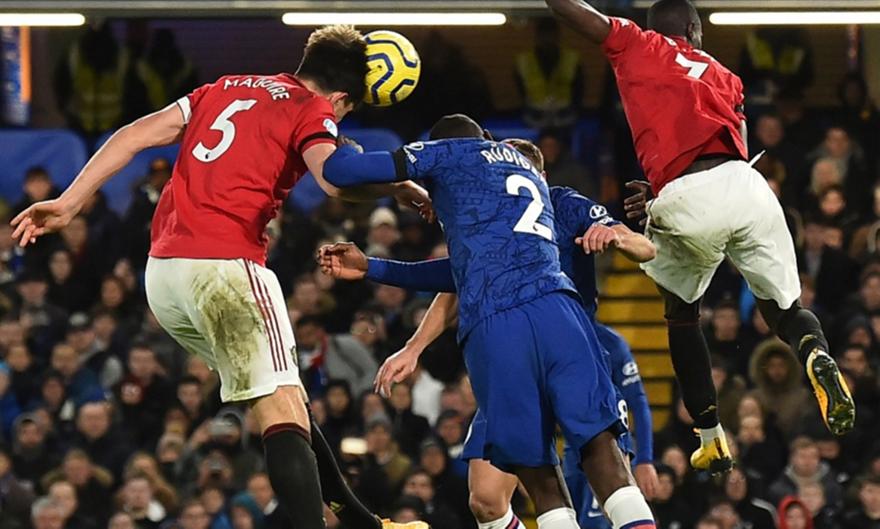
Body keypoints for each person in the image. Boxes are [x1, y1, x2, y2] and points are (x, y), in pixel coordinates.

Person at [13, 24, 429, 529]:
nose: (338, 120)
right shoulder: (313, 108)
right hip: (224, 268)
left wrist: (69, 202)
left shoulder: (225, 87)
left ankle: (366, 525)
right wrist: (397, 183)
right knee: (281, 405)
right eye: (345, 111)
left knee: (285, 398)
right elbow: (334, 179)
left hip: (163, 277)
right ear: (340, 97)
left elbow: (134, 135)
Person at [544, 0, 855, 475]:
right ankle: (815, 352)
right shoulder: (727, 75)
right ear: (693, 29)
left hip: (686, 195)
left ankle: (711, 438)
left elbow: (579, 15)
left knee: (682, 317)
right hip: (748, 186)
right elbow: (729, 150)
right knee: (784, 310)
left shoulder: (638, 43)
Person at [319, 115, 657, 529]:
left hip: (498, 326)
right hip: (558, 314)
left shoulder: (459, 158)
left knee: (537, 471)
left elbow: (343, 172)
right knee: (591, 454)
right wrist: (374, 266)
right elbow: (459, 271)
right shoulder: (516, 180)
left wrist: (345, 151)